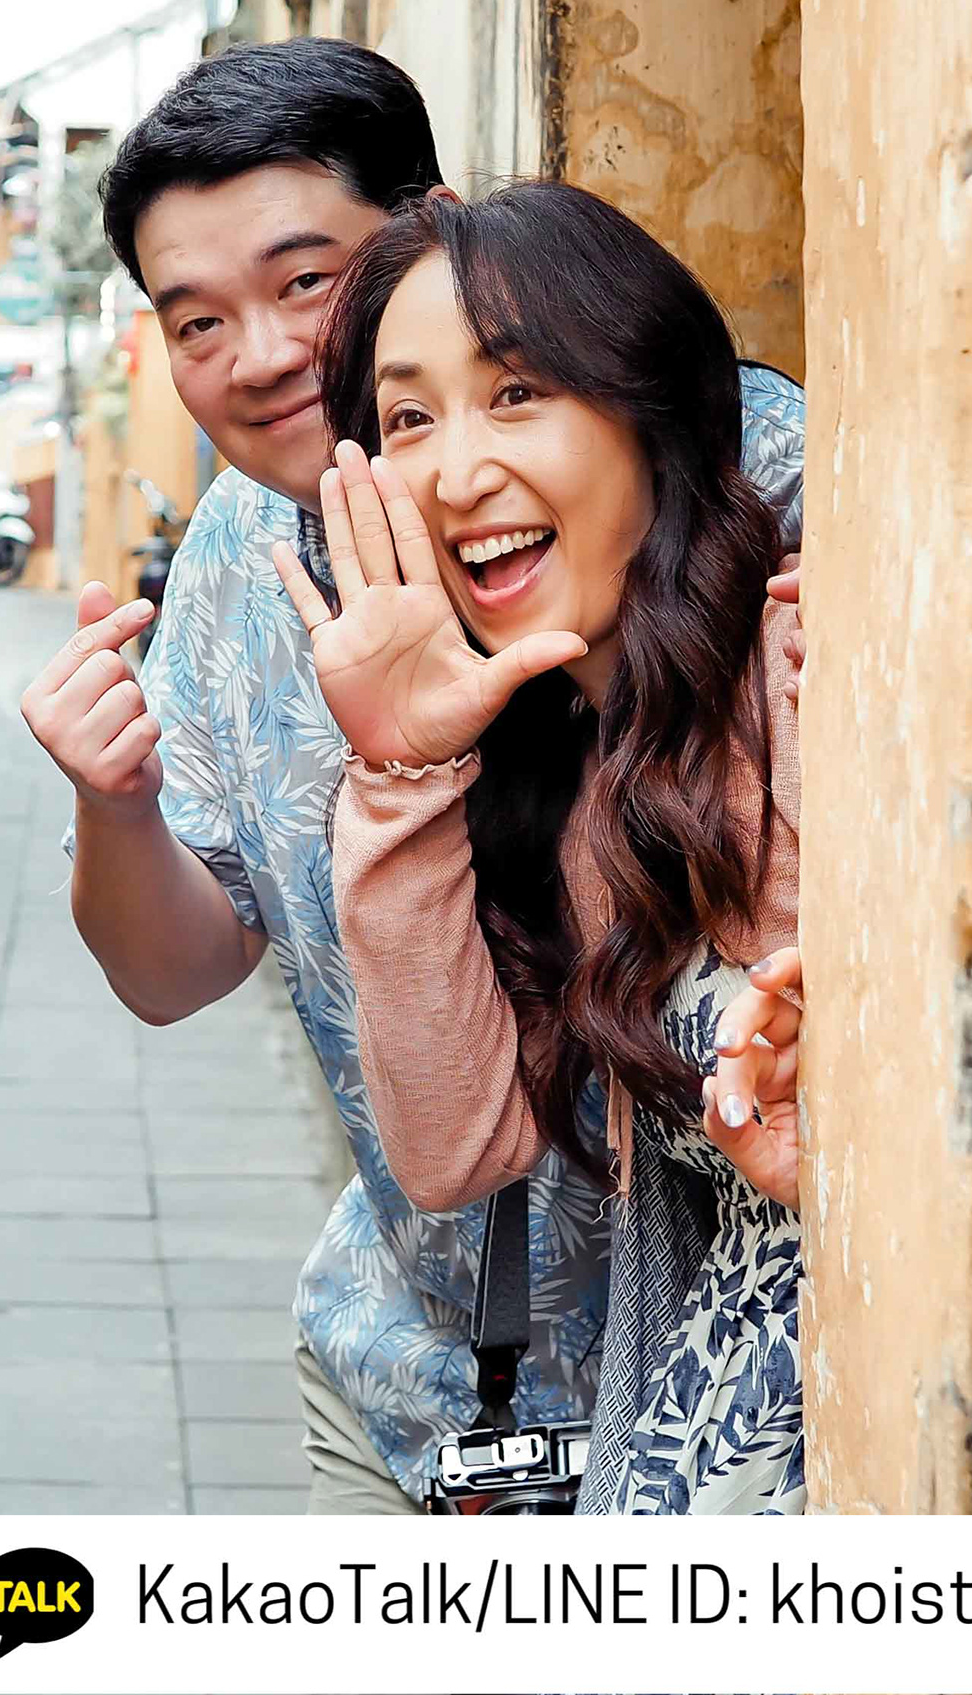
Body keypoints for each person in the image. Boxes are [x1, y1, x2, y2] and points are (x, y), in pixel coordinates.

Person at [15, 40, 802, 1512]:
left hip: (713, 1413)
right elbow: (175, 974)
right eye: (196, 321)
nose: (259, 358)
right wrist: (111, 808)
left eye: (306, 282)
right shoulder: (240, 564)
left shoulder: (739, 508)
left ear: (429, 234)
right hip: (411, 1386)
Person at [265, 183, 813, 1514]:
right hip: (688, 1472)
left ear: (652, 410)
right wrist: (401, 773)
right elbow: (457, 1156)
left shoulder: (811, 666)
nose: (455, 473)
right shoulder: (569, 760)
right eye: (407, 419)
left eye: (517, 393)